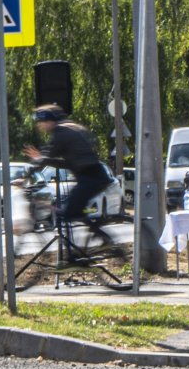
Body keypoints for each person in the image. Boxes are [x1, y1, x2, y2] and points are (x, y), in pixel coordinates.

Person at [24, 105, 118, 258]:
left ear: (50, 121)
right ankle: (76, 254)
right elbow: (64, 163)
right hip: (91, 177)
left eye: (42, 122)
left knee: (69, 213)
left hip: (91, 177)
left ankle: (99, 243)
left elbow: (47, 158)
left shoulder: (61, 133)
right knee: (69, 211)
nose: (40, 126)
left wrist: (28, 173)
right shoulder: (68, 129)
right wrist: (41, 159)